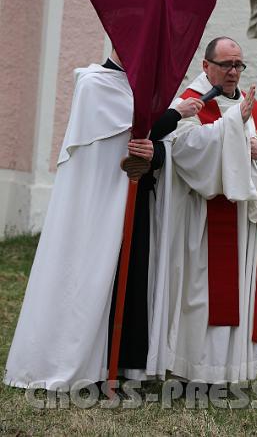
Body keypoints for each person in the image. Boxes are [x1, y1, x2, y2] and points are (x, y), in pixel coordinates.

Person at [3, 48, 202, 390]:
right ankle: (82, 364)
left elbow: (148, 138)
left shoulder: (138, 87)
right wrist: (176, 112)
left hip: (134, 198)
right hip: (96, 207)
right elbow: (139, 125)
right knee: (93, 279)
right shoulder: (94, 83)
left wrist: (157, 148)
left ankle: (124, 365)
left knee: (134, 275)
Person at [160, 36, 257, 383]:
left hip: (245, 226)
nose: (233, 72)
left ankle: (231, 370)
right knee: (201, 295)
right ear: (206, 66)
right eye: (226, 65)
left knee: (240, 292)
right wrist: (234, 127)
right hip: (203, 223)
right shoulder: (190, 104)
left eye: (238, 65)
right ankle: (193, 369)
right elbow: (185, 149)